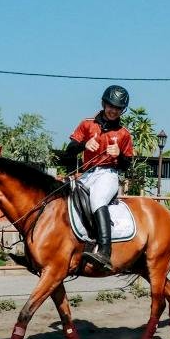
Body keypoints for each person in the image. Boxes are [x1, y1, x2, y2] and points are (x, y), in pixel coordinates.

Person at [65, 85, 134, 271]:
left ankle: (104, 251)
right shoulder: (87, 124)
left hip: (109, 174)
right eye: (111, 106)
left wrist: (119, 155)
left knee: (97, 200)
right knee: (64, 197)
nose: (113, 111)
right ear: (104, 103)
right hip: (87, 174)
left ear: (122, 110)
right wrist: (83, 145)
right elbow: (69, 151)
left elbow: (127, 165)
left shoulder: (124, 134)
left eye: (118, 108)